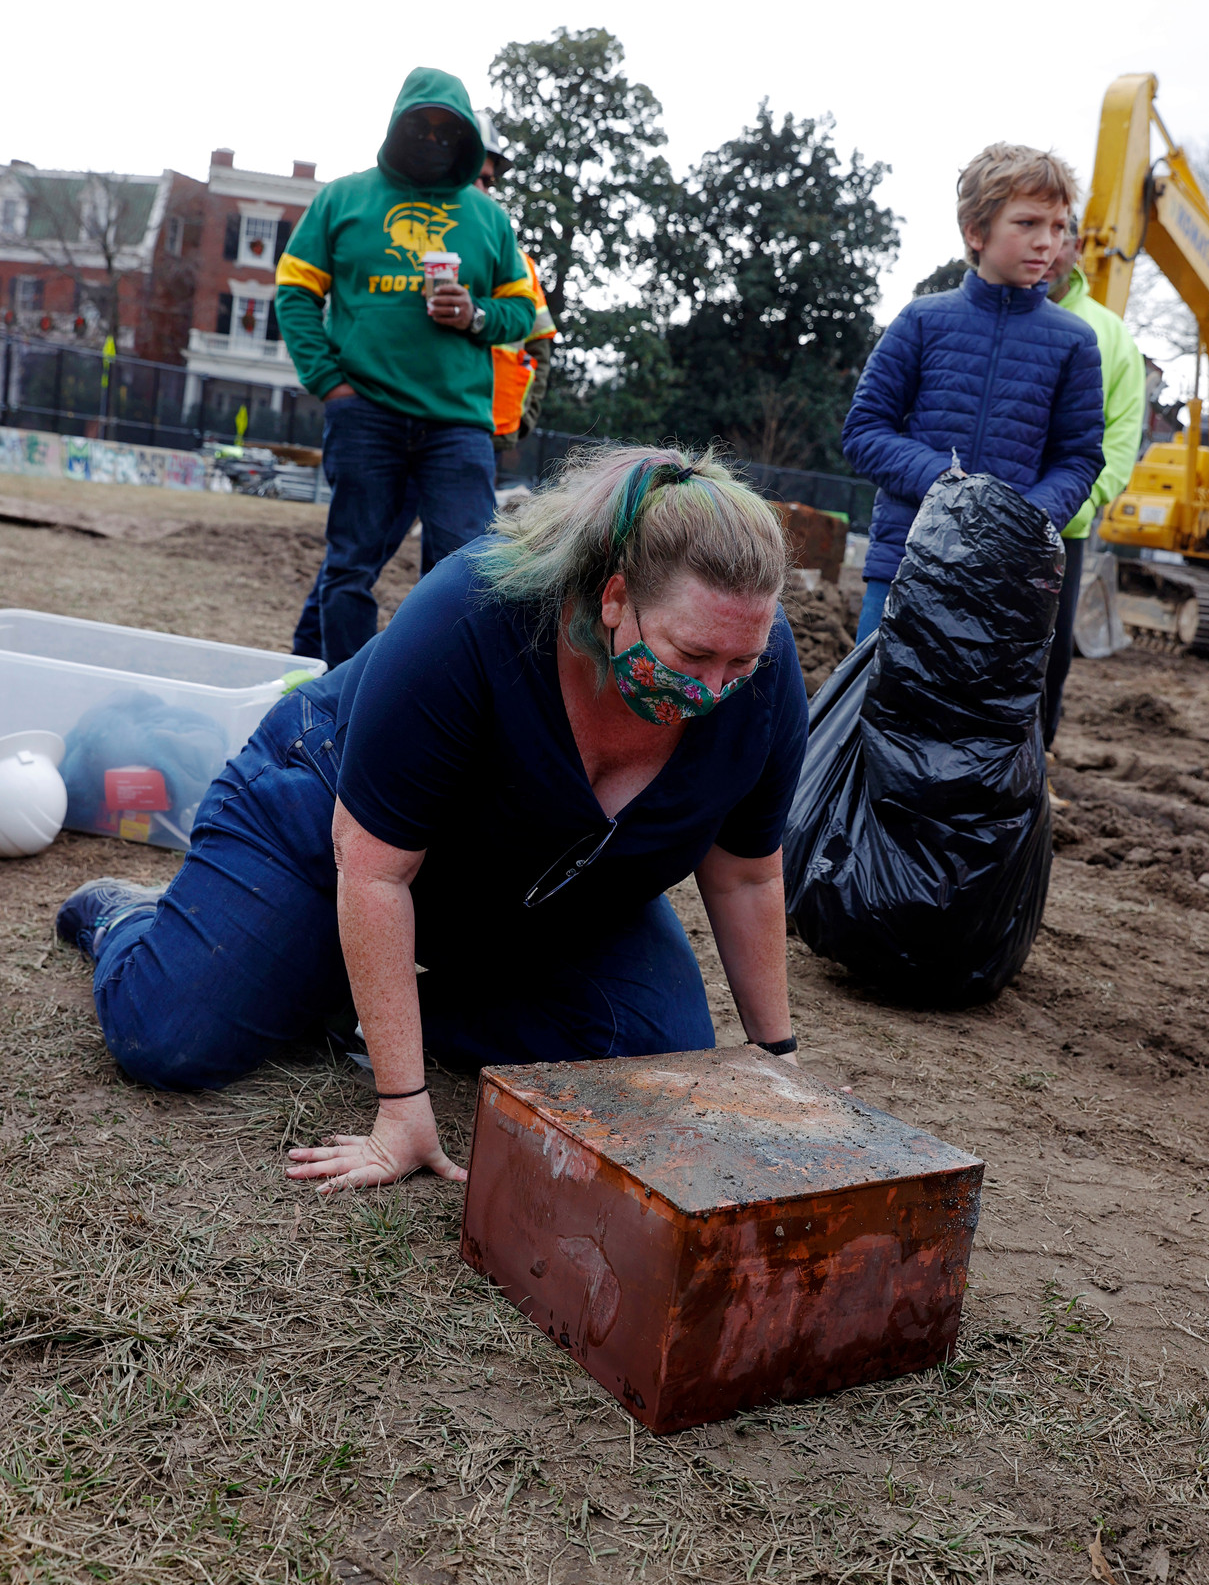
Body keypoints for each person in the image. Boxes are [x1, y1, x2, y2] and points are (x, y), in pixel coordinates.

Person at [55, 448, 809, 1192]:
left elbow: (744, 873)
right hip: (340, 827)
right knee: (171, 1036)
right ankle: (131, 919)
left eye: (738, 665)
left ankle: (347, 1000)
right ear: (613, 599)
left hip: (539, 891)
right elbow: (376, 866)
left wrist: (776, 1061)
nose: (715, 691)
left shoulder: (761, 672)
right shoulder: (472, 614)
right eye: (692, 654)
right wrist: (402, 1107)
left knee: (652, 1053)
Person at [279, 67, 537, 669]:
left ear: (467, 139)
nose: (432, 138)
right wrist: (330, 384)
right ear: (396, 125)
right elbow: (294, 289)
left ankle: (431, 698)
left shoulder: (488, 218)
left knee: (463, 574)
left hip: (457, 425)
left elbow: (522, 311)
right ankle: (344, 700)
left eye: (448, 130)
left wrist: (474, 315)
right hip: (365, 412)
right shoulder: (345, 198)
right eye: (420, 125)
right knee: (351, 566)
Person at [843, 144, 1105, 645]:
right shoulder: (921, 321)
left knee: (980, 722)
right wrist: (950, 486)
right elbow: (864, 432)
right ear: (975, 232)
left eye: (1058, 226)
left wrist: (1020, 519)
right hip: (905, 559)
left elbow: (1078, 459)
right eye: (1027, 223)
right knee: (877, 712)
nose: (1046, 242)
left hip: (1008, 578)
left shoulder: (1075, 342)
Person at [1040, 216, 1145, 744]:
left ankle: (1037, 762)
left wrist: (1084, 499)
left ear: (1077, 248)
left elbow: (1123, 433)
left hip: (1065, 526)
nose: (1046, 250)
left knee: (1049, 656)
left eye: (1059, 237)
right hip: (976, 519)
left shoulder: (1110, 335)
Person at [474, 109, 558, 451]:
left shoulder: (520, 264)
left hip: (495, 426)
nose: (481, 188)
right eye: (472, 177)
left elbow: (539, 346)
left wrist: (524, 416)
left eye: (488, 181)